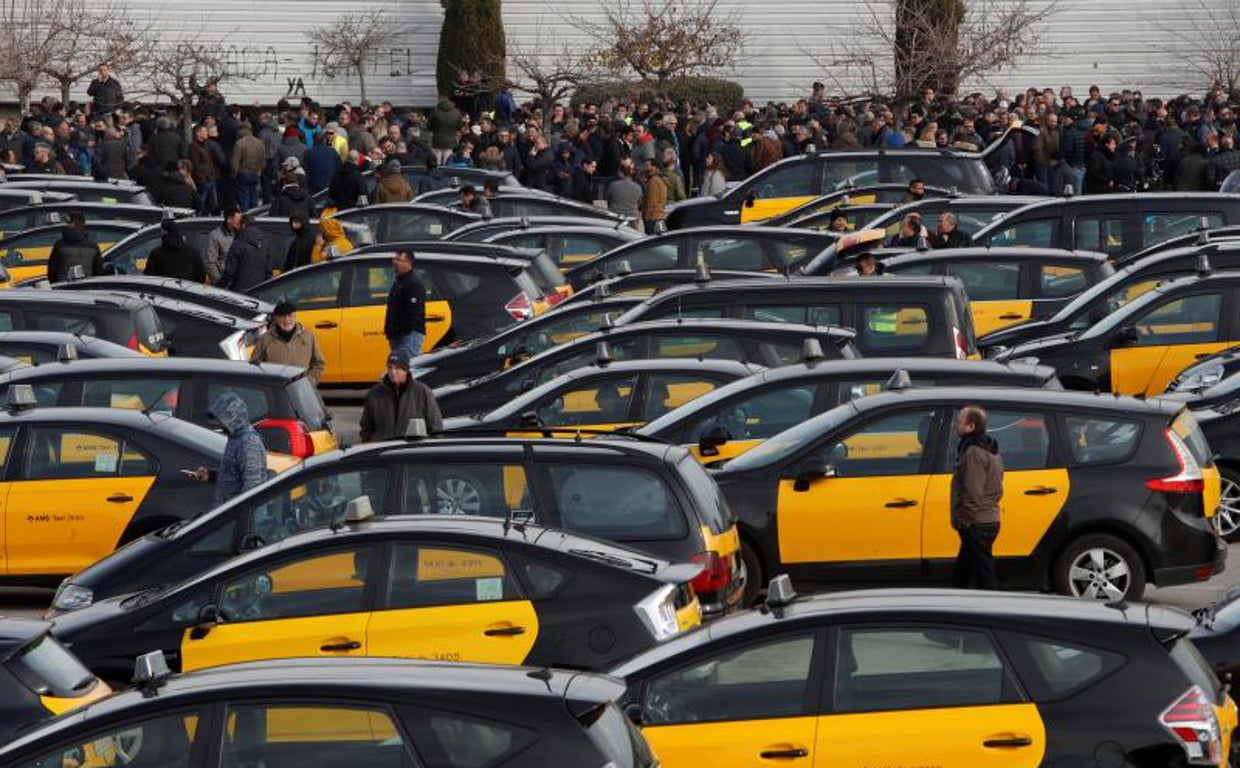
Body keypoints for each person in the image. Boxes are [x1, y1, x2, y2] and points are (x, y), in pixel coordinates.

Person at [951, 405, 1004, 590]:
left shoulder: (973, 451)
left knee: (984, 575)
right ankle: (963, 602)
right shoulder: (990, 447)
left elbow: (973, 490)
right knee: (965, 574)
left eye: (959, 422)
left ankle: (993, 604)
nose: (955, 425)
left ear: (971, 426)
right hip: (988, 518)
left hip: (976, 522)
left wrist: (964, 521)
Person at [192, 391, 268, 505]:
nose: (219, 424)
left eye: (221, 421)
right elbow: (233, 473)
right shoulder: (236, 438)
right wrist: (210, 475)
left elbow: (253, 484)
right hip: (228, 508)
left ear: (233, 419)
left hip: (237, 511)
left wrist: (241, 512)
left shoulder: (249, 443)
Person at [359, 354, 444, 442]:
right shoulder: (374, 393)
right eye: (390, 368)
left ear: (406, 370)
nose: (393, 372)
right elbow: (366, 427)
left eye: (397, 368)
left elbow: (435, 425)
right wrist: (367, 444)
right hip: (382, 447)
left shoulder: (422, 392)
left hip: (410, 448)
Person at [250, 301, 325, 386]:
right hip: (276, 389)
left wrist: (309, 381)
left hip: (303, 388)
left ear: (295, 316)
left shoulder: (308, 336)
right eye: (282, 316)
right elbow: (254, 366)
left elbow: (318, 363)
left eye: (290, 316)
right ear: (276, 318)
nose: (287, 320)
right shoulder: (264, 339)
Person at [385, 248, 427, 363]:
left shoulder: (413, 283)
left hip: (409, 335)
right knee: (398, 367)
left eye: (398, 260)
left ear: (408, 262)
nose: (395, 262)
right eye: (394, 259)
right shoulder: (399, 281)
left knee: (408, 366)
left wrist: (402, 331)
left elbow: (413, 311)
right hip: (398, 335)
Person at [217, 215, 268, 292]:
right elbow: (268, 269)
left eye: (238, 224)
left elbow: (229, 272)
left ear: (243, 225)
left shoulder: (238, 244)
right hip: (260, 290)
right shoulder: (265, 242)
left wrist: (218, 287)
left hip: (240, 291)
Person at [47, 212, 104, 282]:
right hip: (86, 286)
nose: (66, 225)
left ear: (73, 224)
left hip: (63, 286)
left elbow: (52, 272)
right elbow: (98, 272)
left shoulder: (60, 245)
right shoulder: (93, 246)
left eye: (68, 222)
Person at [204, 206, 242, 284]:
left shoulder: (242, 234)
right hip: (225, 281)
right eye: (238, 220)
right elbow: (209, 262)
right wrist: (220, 282)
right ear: (229, 219)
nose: (240, 222)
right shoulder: (216, 235)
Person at [607, 160, 643, 230]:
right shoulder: (638, 187)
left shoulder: (613, 185)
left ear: (620, 173)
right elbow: (639, 202)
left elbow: (608, 200)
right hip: (632, 218)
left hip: (615, 216)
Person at [640, 158, 669, 234]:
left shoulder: (654, 181)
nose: (645, 168)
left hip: (653, 216)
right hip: (658, 215)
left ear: (654, 167)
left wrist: (646, 216)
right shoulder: (657, 179)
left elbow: (651, 200)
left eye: (647, 165)